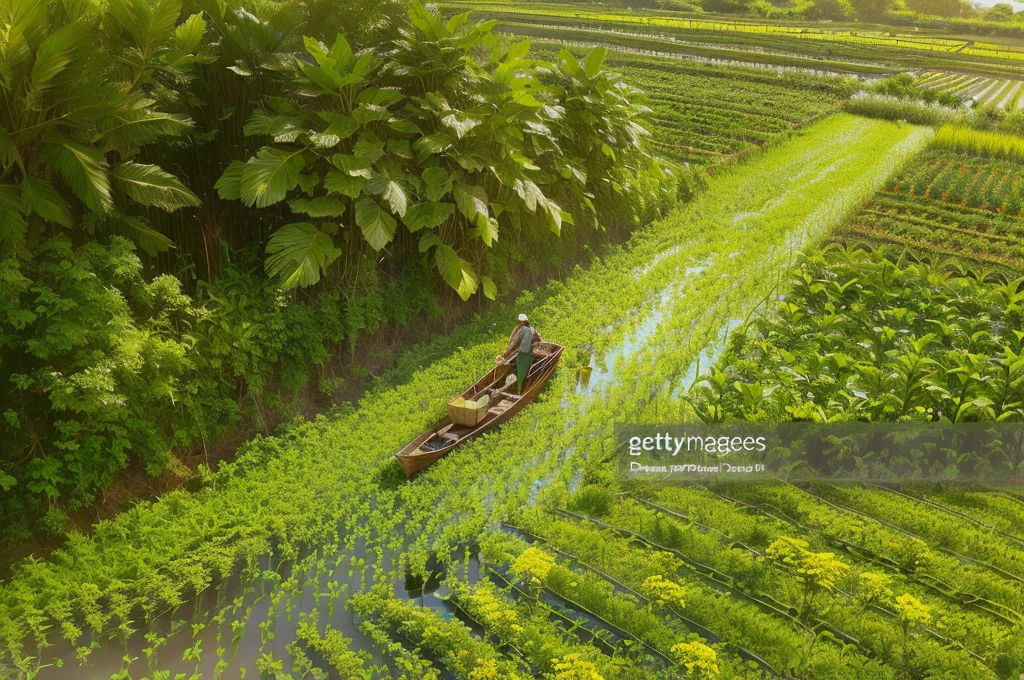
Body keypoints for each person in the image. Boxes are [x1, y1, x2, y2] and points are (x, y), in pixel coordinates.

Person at [495, 313, 539, 393]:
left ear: (521, 322)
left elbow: (513, 343)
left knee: (521, 372)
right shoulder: (532, 329)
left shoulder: (521, 330)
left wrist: (505, 354)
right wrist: (537, 349)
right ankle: (520, 387)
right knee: (525, 371)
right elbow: (538, 340)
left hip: (523, 355)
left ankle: (519, 391)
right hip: (528, 354)